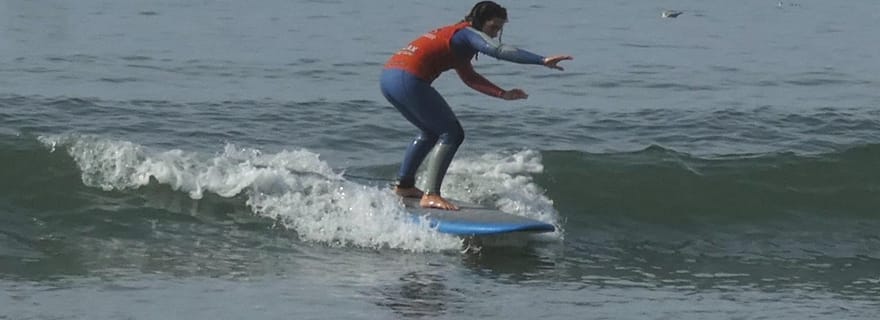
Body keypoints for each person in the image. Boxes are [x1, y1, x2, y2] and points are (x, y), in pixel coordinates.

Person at [380, 1, 572, 210]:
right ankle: (431, 194)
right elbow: (498, 50)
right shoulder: (466, 33)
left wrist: (502, 94)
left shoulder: (456, 38)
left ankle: (405, 186)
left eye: (499, 28)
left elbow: (469, 77)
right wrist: (541, 60)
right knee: (452, 134)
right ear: (479, 22)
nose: (495, 32)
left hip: (389, 78)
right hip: (408, 79)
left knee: (430, 132)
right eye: (493, 27)